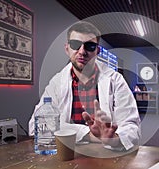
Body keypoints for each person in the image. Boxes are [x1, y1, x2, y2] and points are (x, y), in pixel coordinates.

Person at [28, 21, 141, 151]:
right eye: (75, 44)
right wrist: (89, 134)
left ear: (97, 51)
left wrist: (114, 138)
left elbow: (132, 128)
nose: (82, 51)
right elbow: (36, 127)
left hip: (107, 155)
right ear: (67, 49)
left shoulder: (115, 80)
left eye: (90, 46)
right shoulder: (57, 83)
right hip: (67, 154)